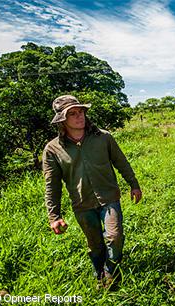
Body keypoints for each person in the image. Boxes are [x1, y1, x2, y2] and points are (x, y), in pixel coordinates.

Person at [42, 95, 142, 288]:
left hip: (109, 197)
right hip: (82, 204)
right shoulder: (53, 150)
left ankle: (110, 272)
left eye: (81, 111)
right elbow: (51, 185)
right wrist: (54, 216)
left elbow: (121, 162)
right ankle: (99, 273)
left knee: (114, 237)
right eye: (72, 113)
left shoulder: (103, 137)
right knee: (95, 245)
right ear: (62, 120)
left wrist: (134, 184)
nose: (80, 116)